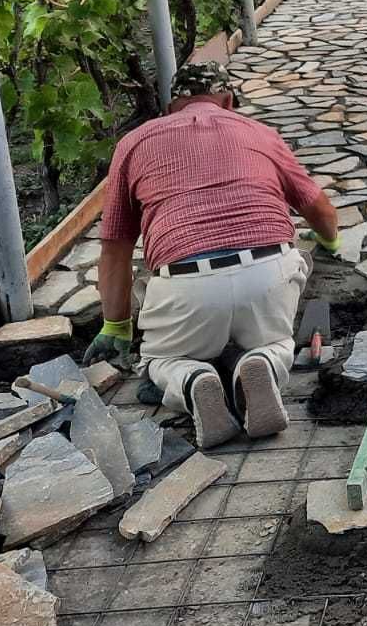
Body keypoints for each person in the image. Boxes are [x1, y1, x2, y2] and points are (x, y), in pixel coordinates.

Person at [83, 62, 340, 447]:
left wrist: (116, 325)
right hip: (266, 274)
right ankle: (266, 361)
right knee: (277, 340)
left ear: (173, 106)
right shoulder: (260, 132)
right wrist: (331, 244)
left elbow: (116, 246)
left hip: (187, 285)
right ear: (229, 101)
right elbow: (320, 211)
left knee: (160, 361)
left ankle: (189, 380)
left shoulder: (134, 143)